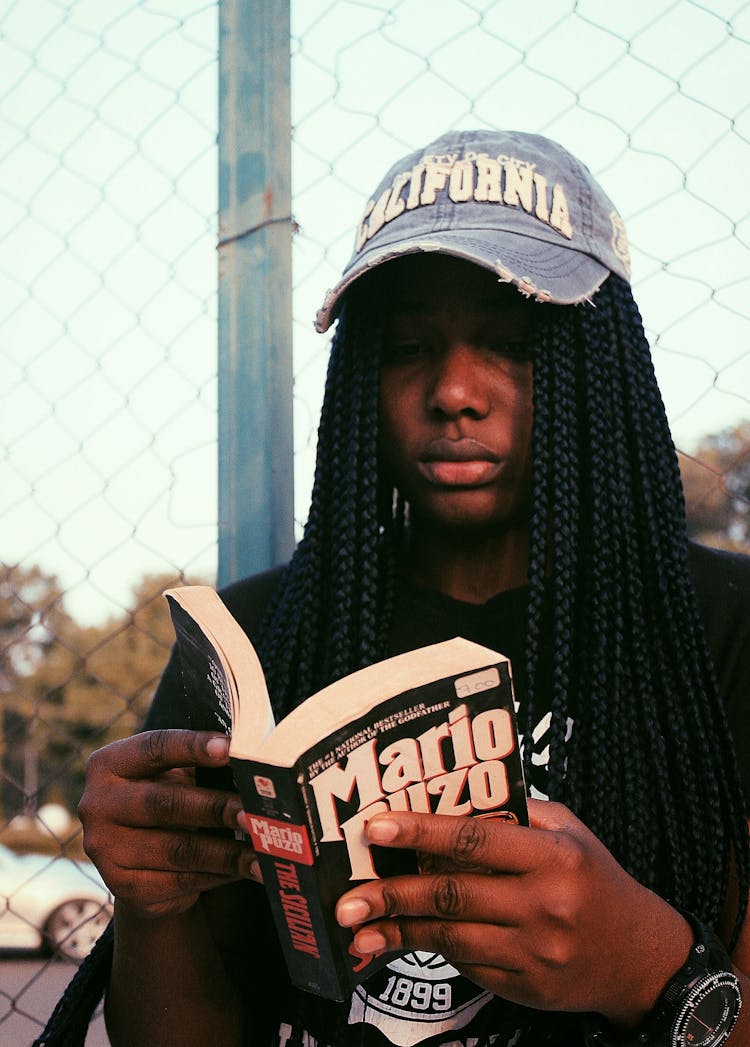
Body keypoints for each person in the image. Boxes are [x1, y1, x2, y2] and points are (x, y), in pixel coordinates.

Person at [37, 129, 750, 1047]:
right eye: (410, 346)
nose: (455, 389)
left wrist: (647, 965)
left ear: (596, 370)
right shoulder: (257, 641)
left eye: (510, 343)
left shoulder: (720, 630)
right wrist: (152, 905)